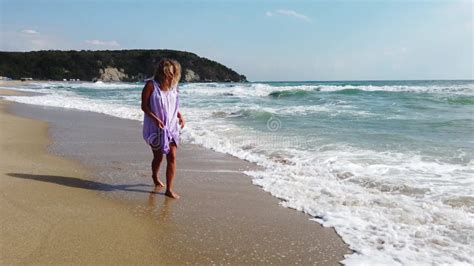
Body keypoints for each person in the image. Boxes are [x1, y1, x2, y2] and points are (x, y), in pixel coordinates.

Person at [141, 59, 185, 199]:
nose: (171, 76)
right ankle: (155, 175)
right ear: (162, 72)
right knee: (158, 157)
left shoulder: (174, 86)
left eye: (173, 73)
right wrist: (155, 119)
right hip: (156, 127)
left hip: (171, 126)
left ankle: (169, 189)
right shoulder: (151, 85)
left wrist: (180, 115)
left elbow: (174, 105)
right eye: (168, 73)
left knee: (172, 156)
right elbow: (144, 106)